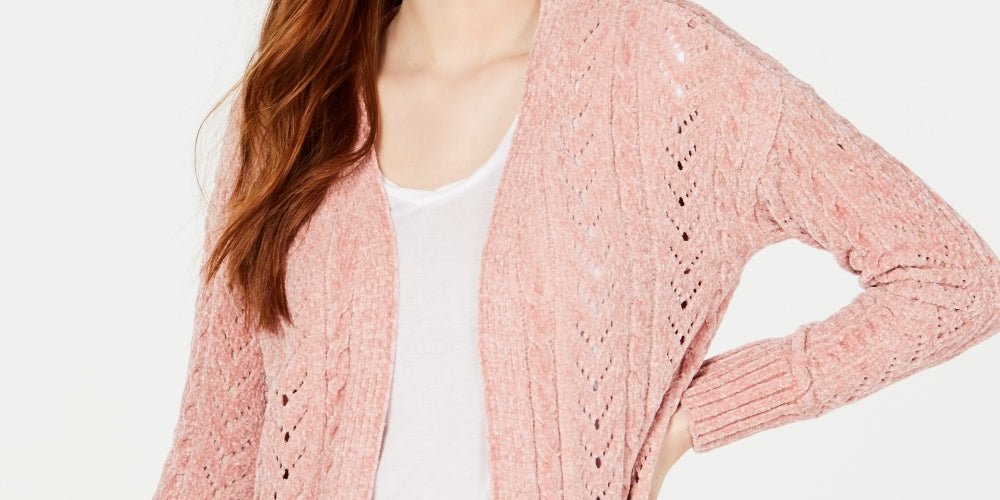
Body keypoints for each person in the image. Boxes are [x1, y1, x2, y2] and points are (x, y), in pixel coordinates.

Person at [152, 0, 1000, 499]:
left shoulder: (666, 67)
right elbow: (217, 437)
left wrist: (690, 421)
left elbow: (953, 279)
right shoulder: (297, 98)